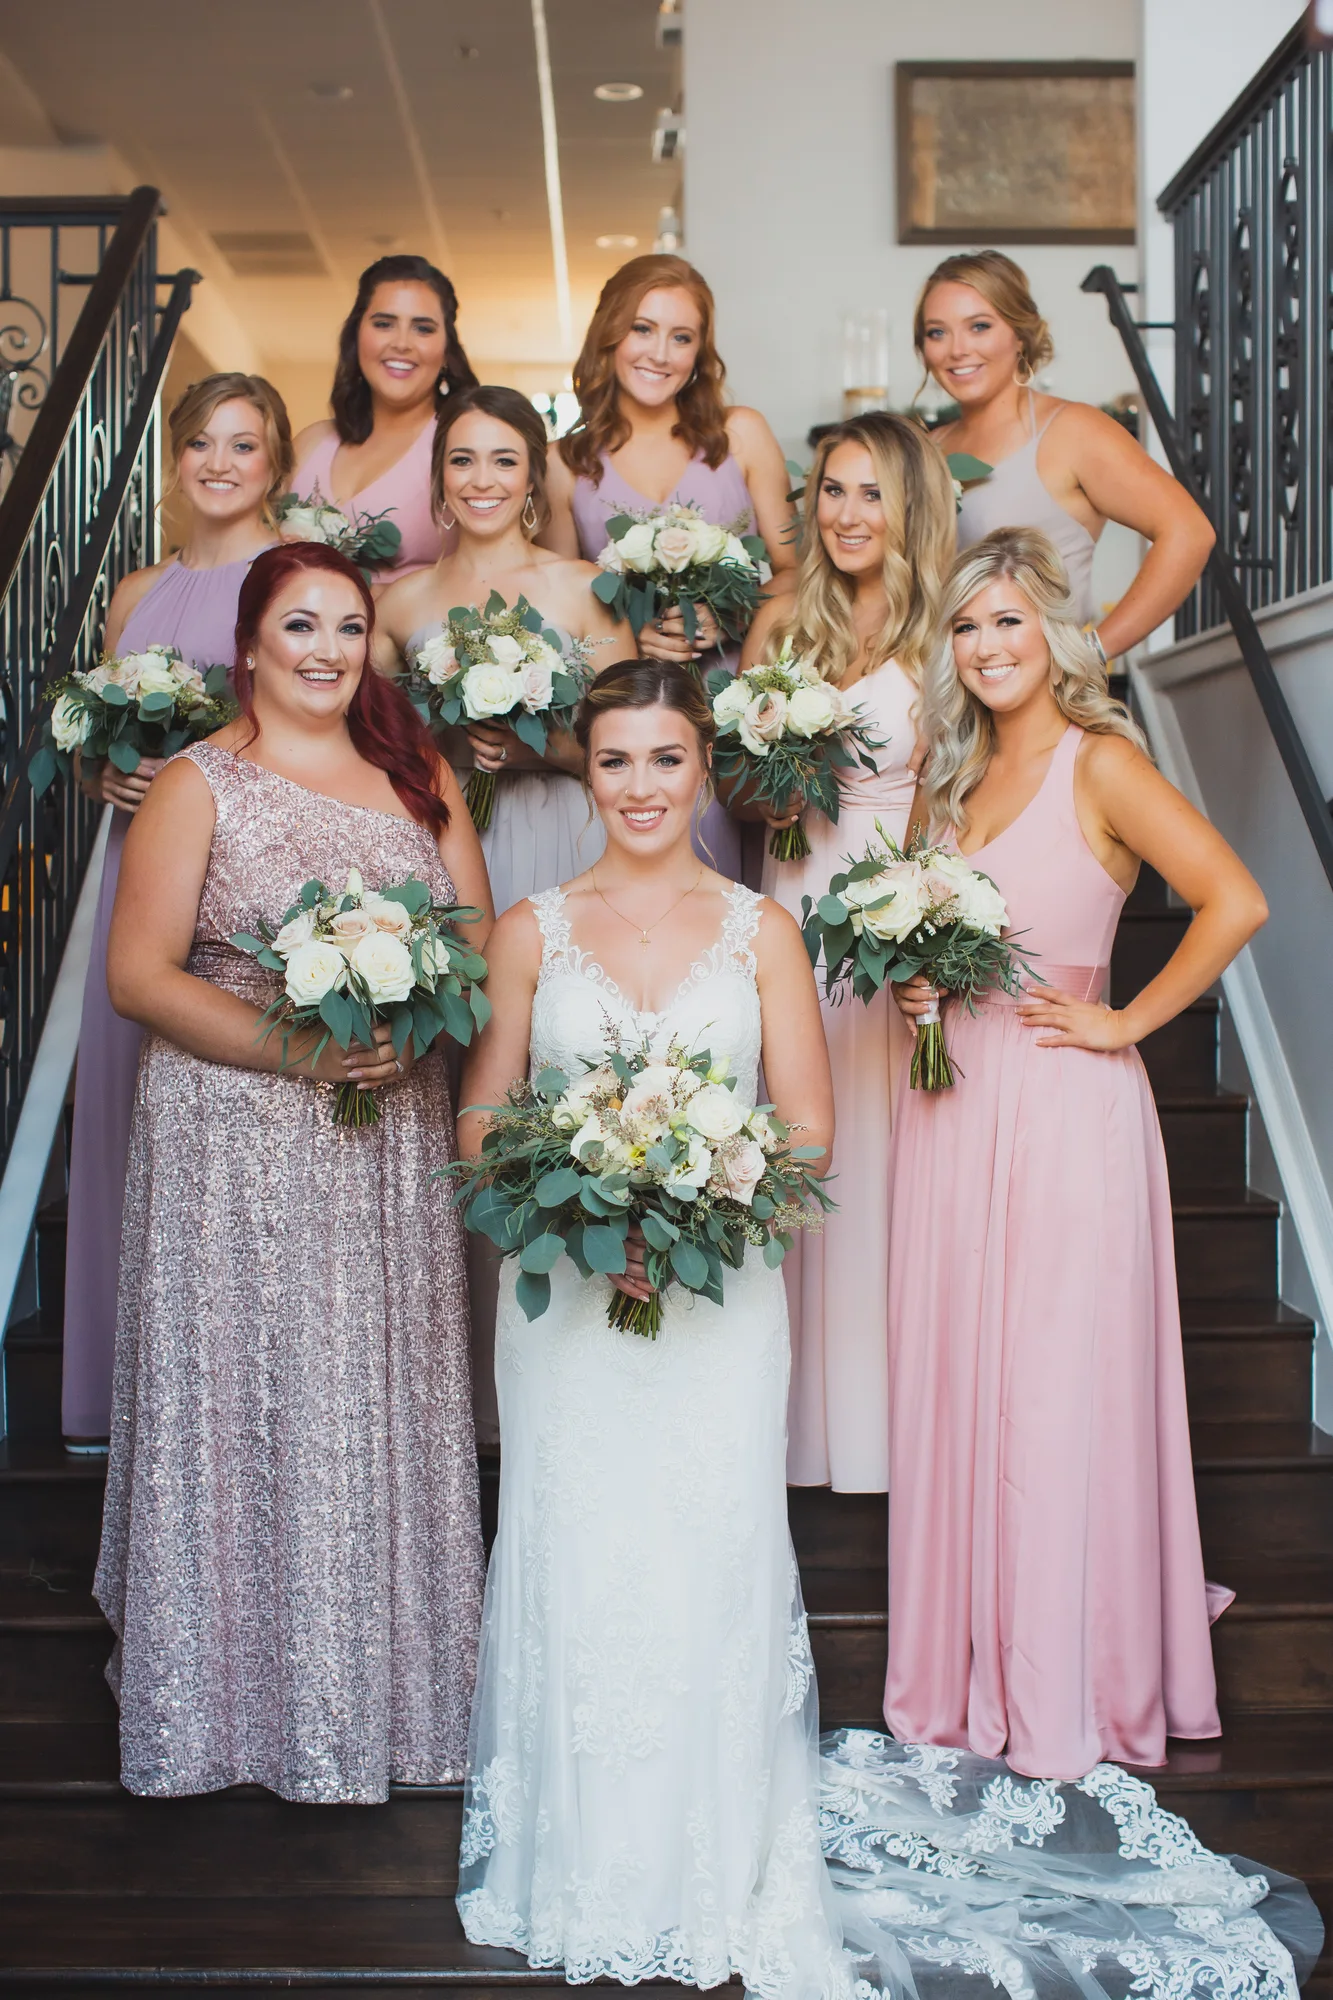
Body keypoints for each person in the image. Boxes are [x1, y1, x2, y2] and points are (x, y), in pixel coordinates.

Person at [454, 660, 848, 1994]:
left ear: (702, 769)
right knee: (579, 1545)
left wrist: (689, 1208)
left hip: (718, 1305)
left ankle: (718, 1854)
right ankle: (577, 1857)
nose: (638, 787)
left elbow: (804, 1131)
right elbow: (478, 1118)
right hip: (567, 1308)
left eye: (666, 759)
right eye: (614, 761)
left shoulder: (762, 933)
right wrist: (581, 1215)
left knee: (708, 1545)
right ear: (585, 770)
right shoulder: (530, 929)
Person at [94, 543, 492, 1802]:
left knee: (370, 1397)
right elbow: (140, 977)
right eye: (299, 624)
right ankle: (231, 1693)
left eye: (348, 625)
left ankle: (383, 1690)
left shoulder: (420, 776)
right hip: (232, 1143)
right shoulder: (197, 782)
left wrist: (411, 1028)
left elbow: (476, 956)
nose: (325, 648)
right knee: (249, 1395)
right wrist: (304, 1049)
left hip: (387, 1144)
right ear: (252, 643)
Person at [884, 526, 1267, 1781]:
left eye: (1009, 620)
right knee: (959, 1382)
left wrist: (1121, 1020)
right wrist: (919, 998)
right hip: (948, 1107)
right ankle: (962, 1665)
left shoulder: (1101, 764)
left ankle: (1072, 1674)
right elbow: (925, 937)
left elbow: (1234, 898)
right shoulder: (943, 784)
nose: (989, 645)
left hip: (1060, 1105)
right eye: (965, 624)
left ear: (1055, 631)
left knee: (1050, 1392)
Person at [61, 371, 291, 1451]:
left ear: (275, 464)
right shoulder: (134, 591)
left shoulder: (291, 579)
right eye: (200, 442)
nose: (218, 463)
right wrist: (105, 777)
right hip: (134, 860)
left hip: (237, 863)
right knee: (118, 1098)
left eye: (242, 445)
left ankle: (229, 1392)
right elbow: (104, 733)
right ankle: (124, 1394)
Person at [739, 412, 954, 1493]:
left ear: (910, 504)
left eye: (871, 492)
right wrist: (771, 776)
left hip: (890, 897)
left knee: (882, 1153)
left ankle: (884, 1431)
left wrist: (924, 917)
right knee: (798, 1132)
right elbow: (732, 780)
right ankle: (798, 1429)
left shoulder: (946, 632)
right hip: (792, 890)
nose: (847, 513)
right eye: (831, 489)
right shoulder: (783, 619)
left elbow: (955, 791)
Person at [542, 254, 796, 878]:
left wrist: (730, 615)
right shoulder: (561, 462)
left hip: (739, 710)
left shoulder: (742, 435)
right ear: (609, 334)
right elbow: (561, 609)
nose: (661, 352)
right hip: (633, 724)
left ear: (700, 351)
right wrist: (634, 637)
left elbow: (795, 571)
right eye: (642, 329)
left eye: (682, 337)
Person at [377, 385, 633, 914]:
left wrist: (534, 746)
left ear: (533, 479)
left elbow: (633, 749)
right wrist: (446, 744)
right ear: (440, 476)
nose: (482, 480)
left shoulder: (587, 589)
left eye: (504, 460)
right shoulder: (399, 603)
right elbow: (366, 745)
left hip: (567, 830)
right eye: (462, 460)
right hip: (437, 831)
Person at [916, 250, 1215, 653]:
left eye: (980, 326)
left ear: (1019, 334)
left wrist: (1089, 655)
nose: (956, 350)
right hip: (940, 695)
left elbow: (1189, 533)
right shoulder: (927, 447)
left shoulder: (1073, 431)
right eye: (937, 332)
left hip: (1043, 700)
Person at [292, 254, 478, 579]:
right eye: (383, 324)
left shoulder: (462, 445)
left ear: (446, 349)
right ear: (356, 336)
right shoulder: (311, 443)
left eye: (422, 328)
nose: (402, 343)